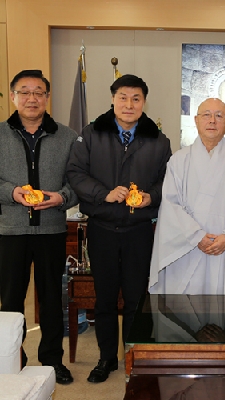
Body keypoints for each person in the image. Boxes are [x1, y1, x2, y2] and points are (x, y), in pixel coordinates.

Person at [67, 74, 171, 383]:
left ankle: (135, 355)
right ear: (113, 99)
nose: (129, 104)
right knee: (105, 299)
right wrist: (104, 193)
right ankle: (106, 359)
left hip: (139, 231)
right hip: (102, 229)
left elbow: (170, 180)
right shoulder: (91, 134)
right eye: (123, 97)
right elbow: (75, 172)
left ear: (144, 103)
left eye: (136, 98)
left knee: (138, 299)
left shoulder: (158, 139)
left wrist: (153, 196)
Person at [0, 70, 78, 384]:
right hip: (11, 231)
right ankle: (12, 359)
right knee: (10, 300)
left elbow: (77, 183)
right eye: (25, 91)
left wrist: (62, 197)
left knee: (50, 300)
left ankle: (51, 361)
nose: (32, 98)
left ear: (47, 97)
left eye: (39, 92)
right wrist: (10, 193)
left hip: (51, 231)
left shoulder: (68, 136)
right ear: (13, 96)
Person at [149, 98, 225, 295]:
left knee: (222, 310)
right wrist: (196, 235)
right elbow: (171, 204)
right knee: (186, 312)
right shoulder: (178, 160)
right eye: (206, 115)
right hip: (186, 247)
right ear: (196, 120)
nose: (212, 121)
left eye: (219, 116)